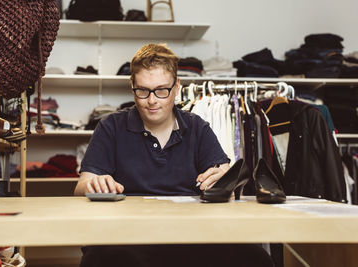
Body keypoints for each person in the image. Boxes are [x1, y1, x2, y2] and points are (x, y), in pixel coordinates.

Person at [74, 43, 274, 267]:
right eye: (143, 90)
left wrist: (222, 179)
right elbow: (82, 184)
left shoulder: (197, 127)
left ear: (177, 86)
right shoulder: (110, 127)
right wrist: (95, 183)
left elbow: (223, 174)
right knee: (101, 259)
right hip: (126, 234)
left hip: (189, 234)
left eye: (162, 90)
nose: (152, 100)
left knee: (256, 259)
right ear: (132, 85)